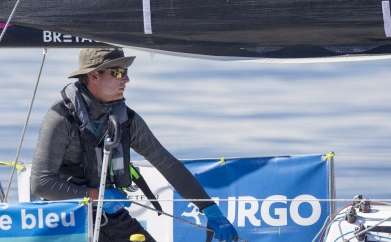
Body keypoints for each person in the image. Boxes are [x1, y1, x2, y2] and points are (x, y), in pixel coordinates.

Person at [30, 47, 239, 242]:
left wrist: (210, 209)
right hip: (67, 220)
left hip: (110, 216)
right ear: (94, 75)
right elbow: (41, 184)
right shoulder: (61, 118)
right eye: (118, 73)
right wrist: (97, 196)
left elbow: (167, 163)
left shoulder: (126, 119)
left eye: (126, 72)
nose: (127, 79)